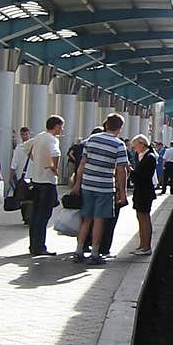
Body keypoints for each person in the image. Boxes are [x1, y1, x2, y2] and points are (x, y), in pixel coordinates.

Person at [70, 114, 129, 266]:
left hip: (87, 185)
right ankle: (95, 254)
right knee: (99, 220)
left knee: (86, 219)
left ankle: (78, 251)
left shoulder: (92, 139)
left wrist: (77, 184)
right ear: (120, 128)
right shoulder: (118, 144)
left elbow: (82, 164)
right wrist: (122, 193)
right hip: (104, 187)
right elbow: (122, 170)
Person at [26, 116, 64, 257]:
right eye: (61, 126)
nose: (62, 129)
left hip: (36, 180)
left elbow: (26, 148)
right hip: (47, 181)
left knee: (36, 215)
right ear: (55, 126)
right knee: (44, 215)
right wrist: (55, 168)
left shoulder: (39, 137)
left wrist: (36, 160)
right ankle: (40, 246)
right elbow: (56, 153)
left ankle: (33, 245)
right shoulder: (52, 139)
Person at [130, 134, 157, 255]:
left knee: (144, 218)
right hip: (141, 191)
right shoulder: (142, 156)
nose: (134, 149)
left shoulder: (149, 157)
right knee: (140, 218)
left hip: (145, 192)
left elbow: (144, 177)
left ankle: (146, 246)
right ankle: (142, 245)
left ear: (141, 144)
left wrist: (131, 172)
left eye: (135, 146)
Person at [8, 126, 33, 224]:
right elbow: (14, 163)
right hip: (21, 175)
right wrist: (11, 176)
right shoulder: (19, 148)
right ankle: (25, 216)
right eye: (23, 134)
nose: (25, 136)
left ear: (29, 134)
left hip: (32, 175)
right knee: (23, 196)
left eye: (26, 134)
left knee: (30, 196)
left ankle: (29, 216)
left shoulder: (33, 146)